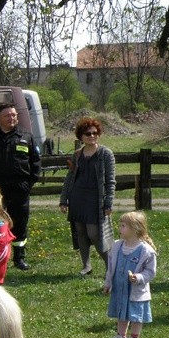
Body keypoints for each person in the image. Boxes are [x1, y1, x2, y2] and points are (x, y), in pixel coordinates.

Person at [0, 103, 41, 270]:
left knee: (19, 223)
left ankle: (19, 258)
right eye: (7, 115)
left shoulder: (25, 136)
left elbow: (36, 162)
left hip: (19, 189)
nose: (12, 118)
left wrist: (30, 183)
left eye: (14, 115)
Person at [59, 117, 116, 276]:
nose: (92, 136)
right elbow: (69, 178)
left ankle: (110, 266)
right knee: (81, 232)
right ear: (81, 136)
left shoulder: (106, 154)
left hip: (95, 200)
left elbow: (110, 180)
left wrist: (108, 202)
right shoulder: (77, 155)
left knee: (95, 234)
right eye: (88, 133)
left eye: (95, 133)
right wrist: (64, 200)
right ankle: (86, 266)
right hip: (77, 197)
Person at [103, 211, 157, 338]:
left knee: (135, 315)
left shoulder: (146, 251)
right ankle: (121, 336)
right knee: (122, 313)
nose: (119, 229)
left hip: (135, 291)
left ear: (135, 229)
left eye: (123, 226)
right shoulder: (116, 247)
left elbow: (150, 272)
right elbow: (111, 268)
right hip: (120, 289)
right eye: (120, 225)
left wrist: (138, 278)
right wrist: (108, 283)